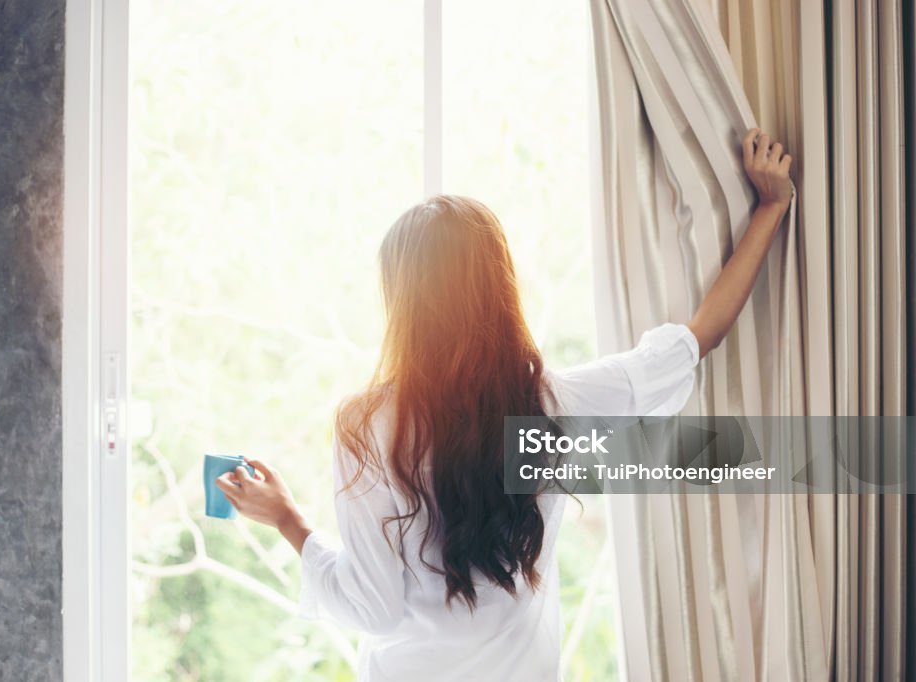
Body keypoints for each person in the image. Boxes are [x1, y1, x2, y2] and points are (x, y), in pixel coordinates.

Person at [217, 129, 793, 681]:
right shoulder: (555, 405)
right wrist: (769, 206)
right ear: (498, 292)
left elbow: (375, 611)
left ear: (401, 303)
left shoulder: (367, 427)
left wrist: (289, 520)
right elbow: (696, 339)